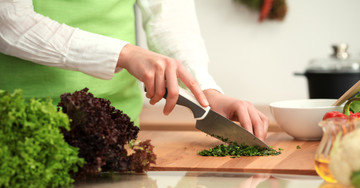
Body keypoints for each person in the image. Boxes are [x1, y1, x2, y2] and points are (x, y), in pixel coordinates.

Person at [0, 0, 268, 140]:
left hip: (116, 127)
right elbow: (9, 23)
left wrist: (206, 91)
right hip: (21, 121)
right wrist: (124, 54)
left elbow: (168, 15)